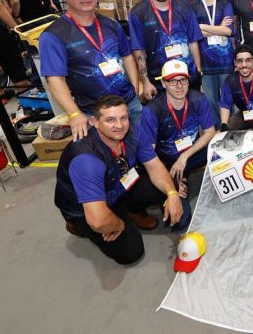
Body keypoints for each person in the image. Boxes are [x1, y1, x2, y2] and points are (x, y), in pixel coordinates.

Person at [54, 95, 186, 265]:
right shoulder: (86, 159)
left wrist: (172, 194)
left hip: (118, 186)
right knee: (131, 252)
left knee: (169, 184)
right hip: (88, 209)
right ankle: (77, 226)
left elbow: (155, 166)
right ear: (95, 122)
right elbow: (98, 220)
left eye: (123, 118)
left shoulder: (134, 132)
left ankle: (132, 211)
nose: (119, 125)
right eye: (110, 120)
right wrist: (119, 224)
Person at [40, 0, 141, 139]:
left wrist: (135, 88)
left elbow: (126, 56)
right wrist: (74, 113)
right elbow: (55, 79)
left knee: (141, 144)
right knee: (108, 153)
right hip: (94, 114)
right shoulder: (54, 35)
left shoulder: (111, 24)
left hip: (129, 104)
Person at [139, 60, 214, 218]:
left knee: (221, 147)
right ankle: (177, 179)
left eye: (183, 80)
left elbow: (210, 132)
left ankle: (186, 174)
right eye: (173, 81)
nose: (179, 86)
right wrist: (170, 183)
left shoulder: (198, 99)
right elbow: (148, 155)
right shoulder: (152, 110)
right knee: (180, 219)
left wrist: (183, 157)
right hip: (166, 163)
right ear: (164, 83)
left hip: (190, 155)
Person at [129, 0, 203, 100]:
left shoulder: (184, 7)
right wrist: (145, 82)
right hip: (160, 81)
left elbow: (193, 42)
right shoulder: (138, 13)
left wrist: (198, 71)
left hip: (188, 77)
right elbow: (139, 51)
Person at [191, 0, 236, 126]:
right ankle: (218, 131)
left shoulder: (225, 3)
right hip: (205, 63)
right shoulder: (193, 5)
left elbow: (228, 31)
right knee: (211, 101)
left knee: (228, 100)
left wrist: (203, 27)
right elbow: (193, 33)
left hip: (225, 61)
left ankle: (231, 129)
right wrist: (219, 28)